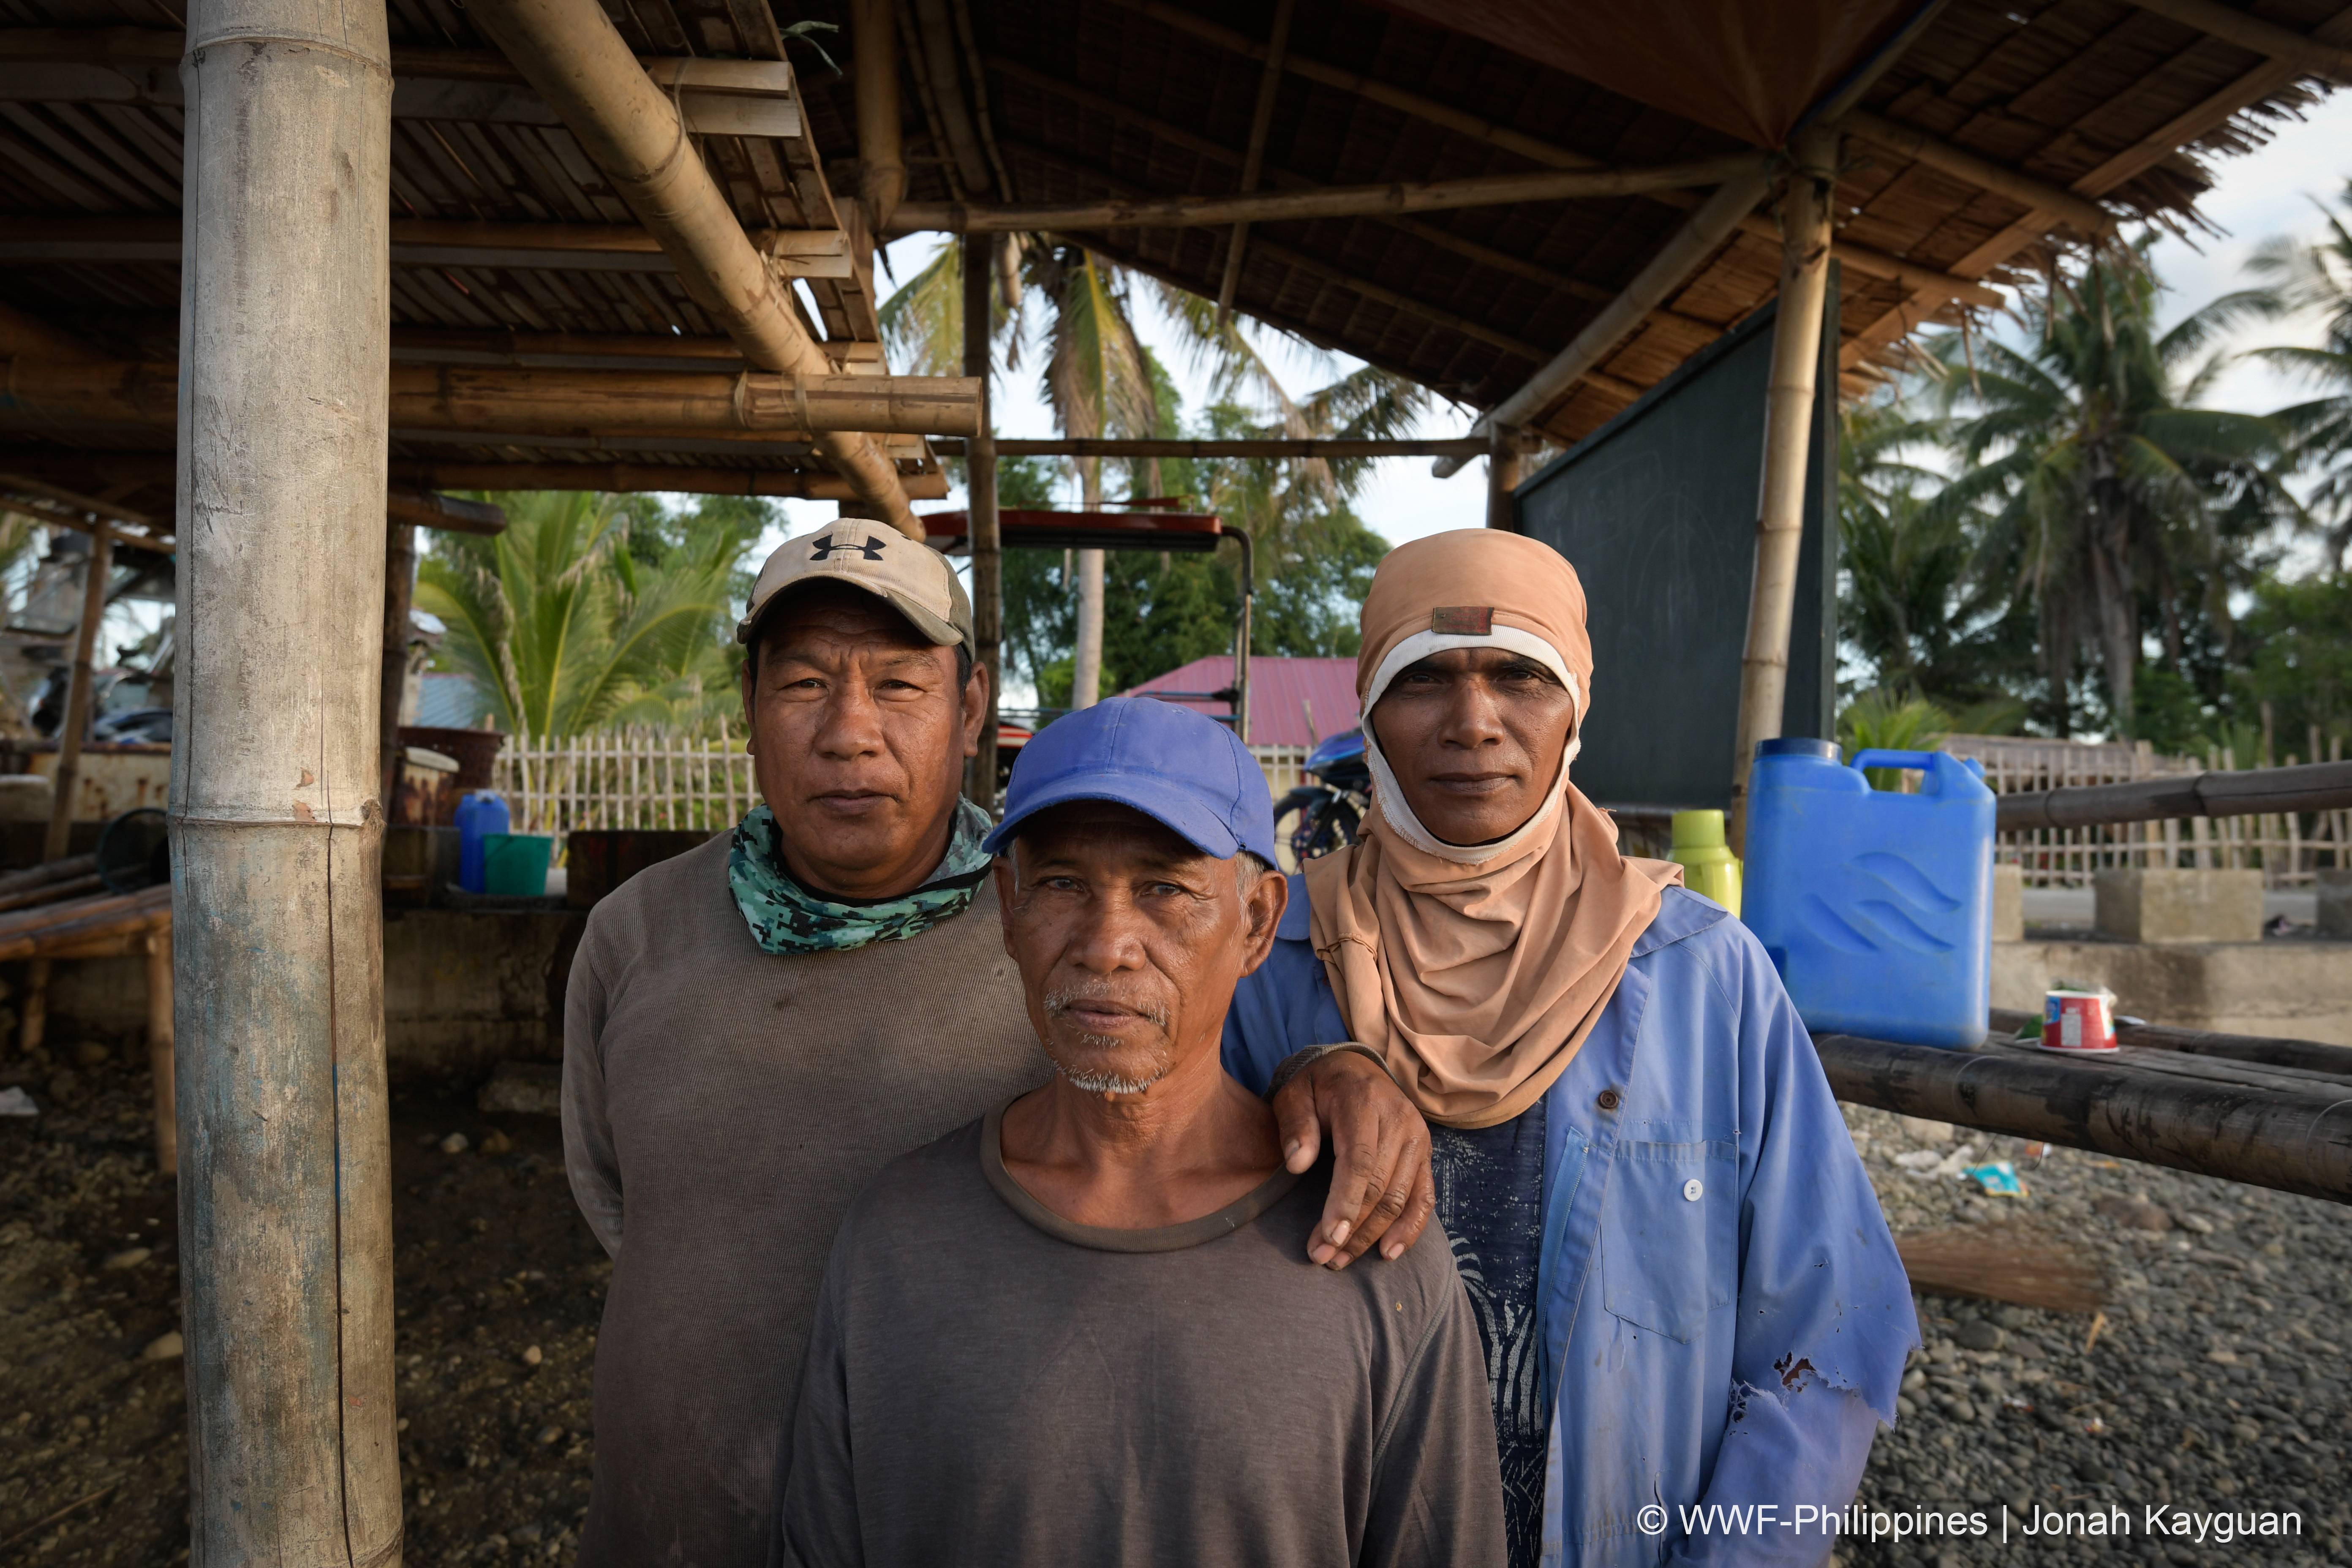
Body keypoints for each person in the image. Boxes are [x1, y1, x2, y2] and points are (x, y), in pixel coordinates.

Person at [561, 522, 1439, 1566]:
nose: (850, 732)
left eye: (899, 685)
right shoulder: (636, 933)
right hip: (667, 1531)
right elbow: (620, 1199)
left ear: (971, 707)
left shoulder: (1069, 948)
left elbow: (1218, 1087)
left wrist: (1337, 1068)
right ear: (747, 703)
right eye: (802, 684)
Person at [1224, 531, 1918, 1568]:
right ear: (1368, 711)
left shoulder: (1703, 976)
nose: (1475, 723)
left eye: (1521, 676)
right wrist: (1297, 1072)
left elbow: (1824, 1336)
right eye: (1425, 680)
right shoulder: (1261, 968)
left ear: (1576, 711)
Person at [778, 698, 1507, 1568]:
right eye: (1061, 884)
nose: (1107, 942)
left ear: (1258, 922)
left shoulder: (1369, 1251)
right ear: (1008, 909)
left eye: (1164, 888)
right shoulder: (894, 1239)